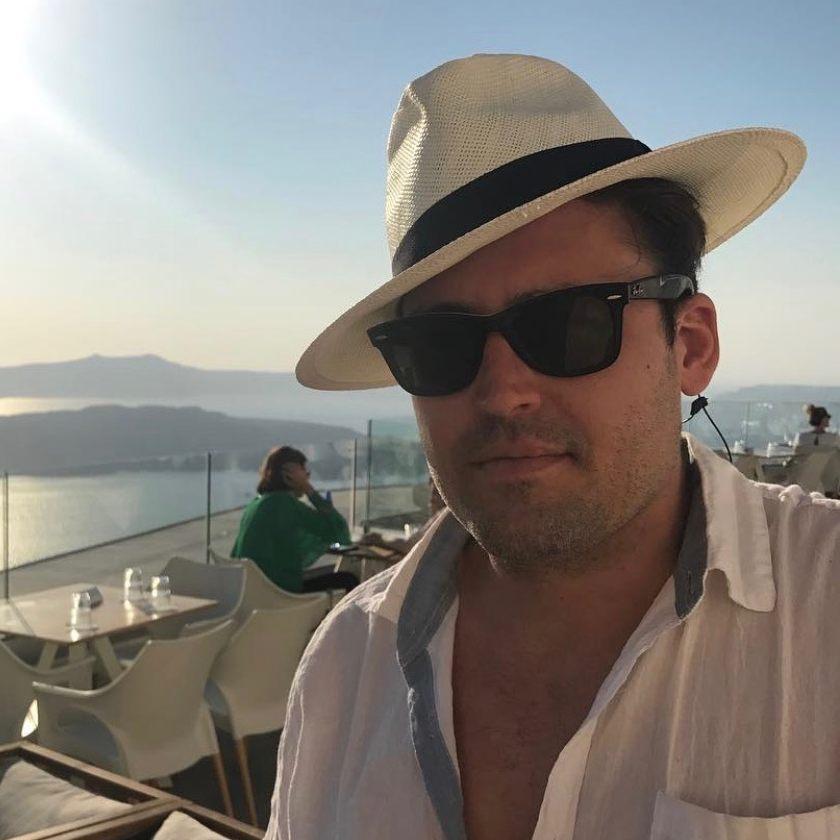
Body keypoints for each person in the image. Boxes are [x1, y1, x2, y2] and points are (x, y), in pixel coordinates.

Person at [266, 55, 840, 840]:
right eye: (439, 344)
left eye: (569, 324)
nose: (503, 392)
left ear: (690, 345)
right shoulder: (344, 666)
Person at [231, 445, 358, 594]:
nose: (308, 475)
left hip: (253, 590)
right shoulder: (284, 504)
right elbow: (340, 533)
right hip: (280, 592)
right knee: (349, 580)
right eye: (304, 471)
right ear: (289, 474)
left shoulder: (257, 503)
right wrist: (308, 489)